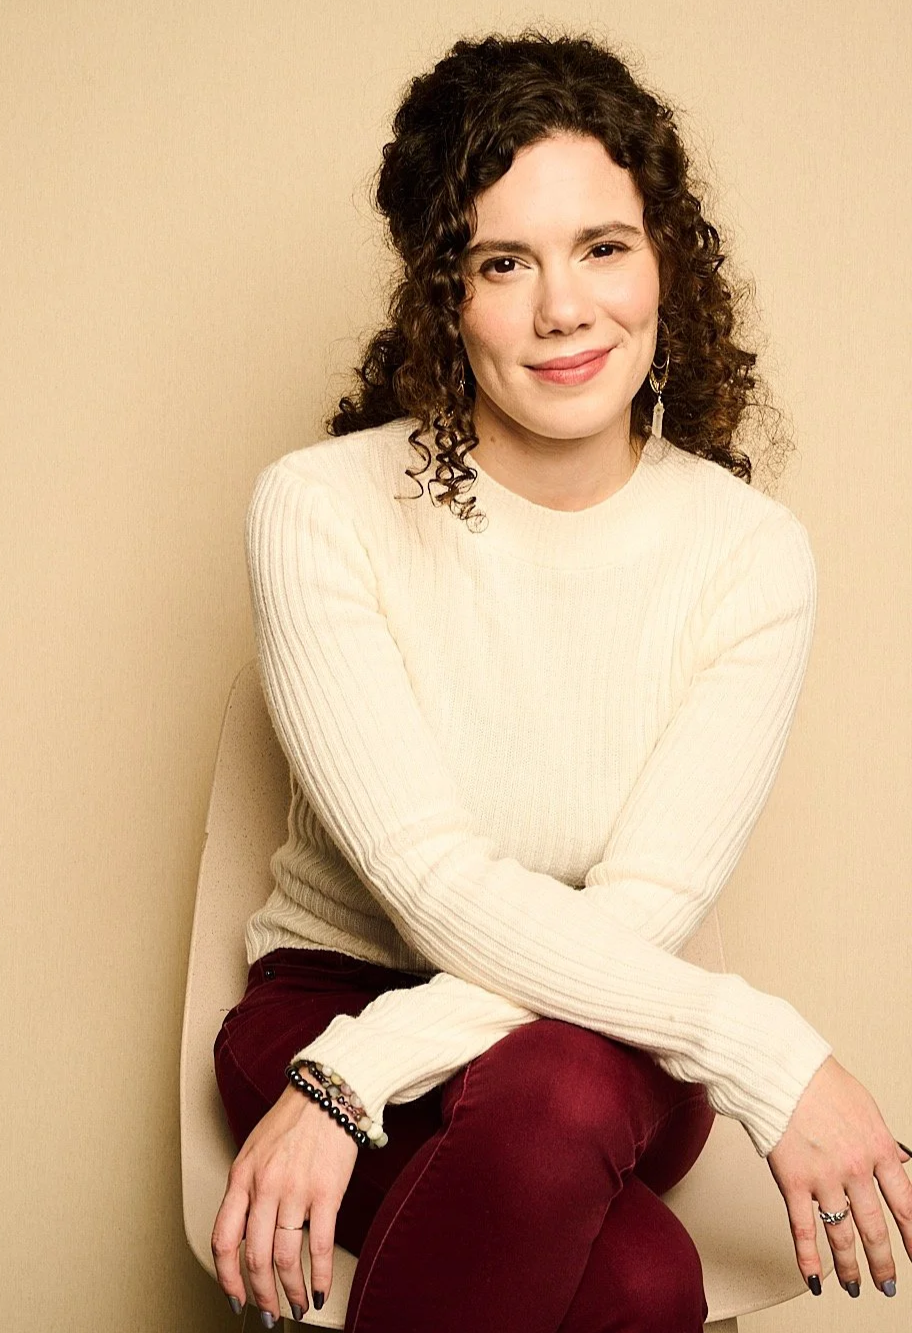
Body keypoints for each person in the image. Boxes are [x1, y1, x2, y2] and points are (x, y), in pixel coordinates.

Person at [210, 28, 912, 1332]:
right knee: (646, 1282)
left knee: (569, 1086)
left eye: (603, 247)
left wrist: (351, 1082)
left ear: (668, 263)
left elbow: (643, 904)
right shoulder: (319, 509)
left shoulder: (747, 553)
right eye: (501, 262)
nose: (563, 309)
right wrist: (771, 1054)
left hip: (614, 1023)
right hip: (335, 996)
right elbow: (428, 879)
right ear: (440, 293)